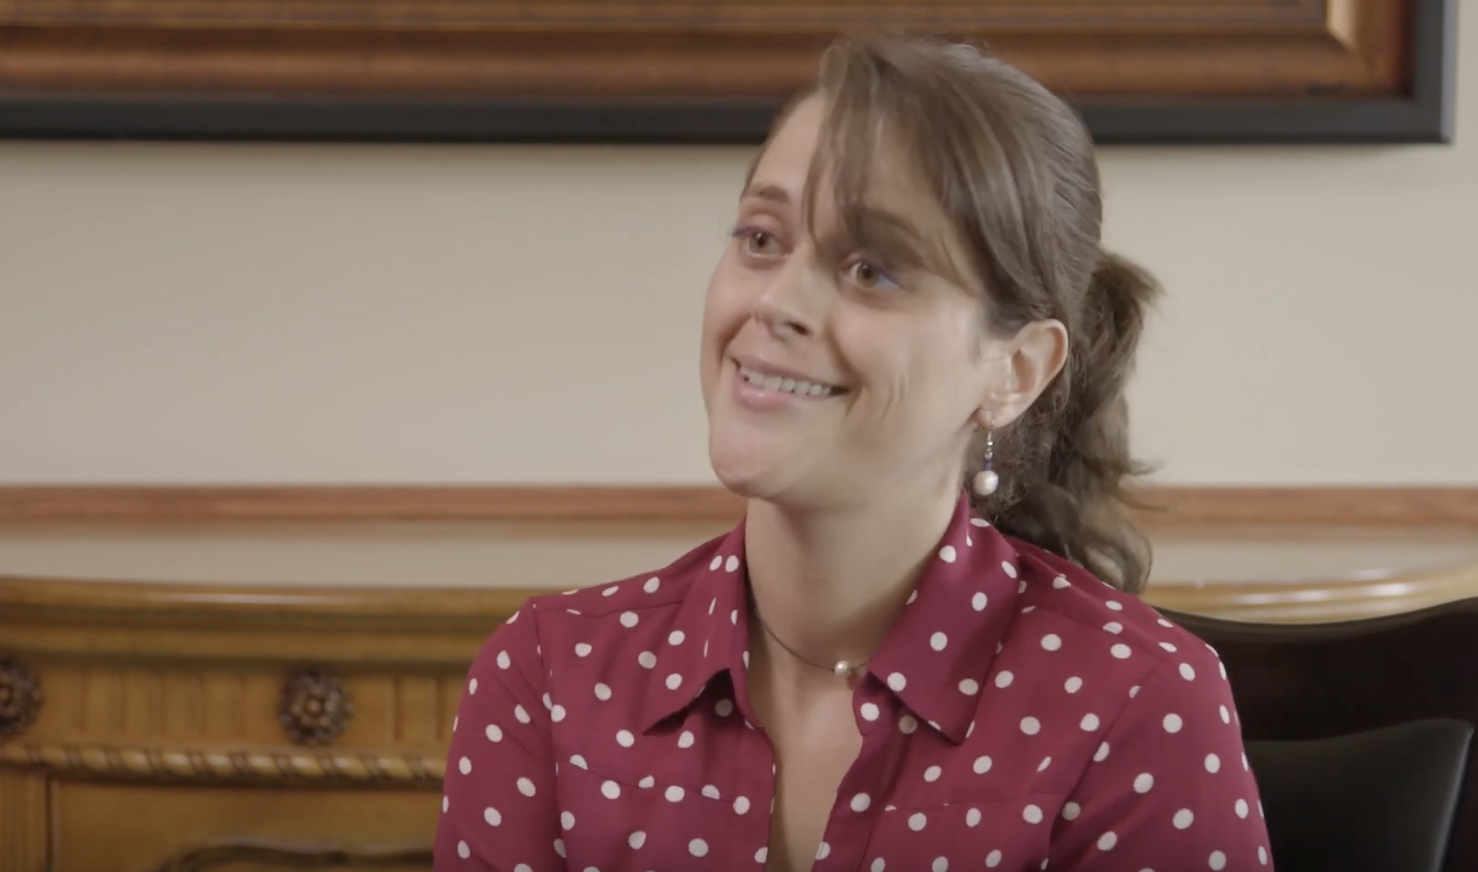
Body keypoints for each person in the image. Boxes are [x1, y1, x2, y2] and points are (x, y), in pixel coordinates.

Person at [434, 31, 1272, 872]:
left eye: (872, 269)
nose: (776, 301)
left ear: (1014, 370)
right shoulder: (546, 673)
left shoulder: (1137, 702)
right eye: (762, 239)